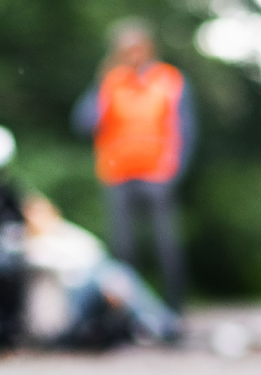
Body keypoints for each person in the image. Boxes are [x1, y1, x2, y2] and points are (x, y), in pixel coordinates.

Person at [71, 18, 197, 312]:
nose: (132, 55)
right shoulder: (110, 82)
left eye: (137, 48)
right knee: (123, 248)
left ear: (149, 48)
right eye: (125, 50)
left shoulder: (170, 80)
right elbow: (83, 123)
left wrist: (175, 171)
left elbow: (186, 129)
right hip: (117, 174)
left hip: (158, 174)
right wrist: (99, 85)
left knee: (166, 245)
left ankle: (175, 311)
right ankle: (130, 313)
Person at [21, 193, 180, 347]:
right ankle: (158, 323)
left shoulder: (66, 233)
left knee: (115, 273)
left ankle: (154, 322)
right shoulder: (27, 243)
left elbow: (96, 251)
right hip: (70, 302)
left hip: (92, 286)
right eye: (35, 214)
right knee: (113, 274)